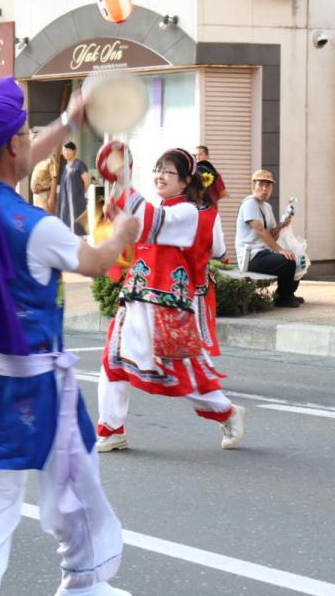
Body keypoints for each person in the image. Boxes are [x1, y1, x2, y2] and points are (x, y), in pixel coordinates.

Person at [0, 77, 139, 596]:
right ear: (11, 148)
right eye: (26, 134)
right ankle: (84, 578)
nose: (31, 141)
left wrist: (70, 119)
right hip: (38, 386)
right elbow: (96, 263)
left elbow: (9, 157)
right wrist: (122, 233)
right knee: (78, 478)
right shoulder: (37, 226)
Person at [95, 147, 246, 452]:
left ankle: (227, 412)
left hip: (167, 306)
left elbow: (149, 220)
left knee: (178, 374)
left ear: (185, 181)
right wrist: (115, 200)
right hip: (137, 296)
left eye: (168, 171)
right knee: (113, 362)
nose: (160, 176)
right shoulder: (162, 208)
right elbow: (129, 225)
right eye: (157, 169)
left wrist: (122, 178)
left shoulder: (188, 213)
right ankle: (111, 429)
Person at [234, 169, 302, 307]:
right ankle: (282, 298)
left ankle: (288, 293)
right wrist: (280, 250)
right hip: (251, 256)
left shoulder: (267, 206)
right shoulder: (249, 204)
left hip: (264, 253)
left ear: (272, 188)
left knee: (298, 257)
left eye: (268, 185)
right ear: (253, 186)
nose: (264, 189)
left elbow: (270, 234)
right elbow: (260, 231)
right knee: (287, 260)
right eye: (261, 185)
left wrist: (281, 225)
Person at [193, 159, 228, 356]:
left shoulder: (169, 208)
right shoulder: (210, 214)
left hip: (170, 282)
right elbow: (219, 250)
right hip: (199, 278)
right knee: (200, 330)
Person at [57, 140, 89, 234]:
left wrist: (81, 194)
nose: (65, 152)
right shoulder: (65, 167)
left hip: (76, 201)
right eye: (64, 150)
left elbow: (87, 181)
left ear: (74, 151)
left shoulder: (79, 164)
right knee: (66, 223)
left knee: (77, 225)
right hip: (65, 202)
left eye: (68, 150)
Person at [29, 128, 58, 213]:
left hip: (45, 195)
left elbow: (54, 178)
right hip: (36, 195)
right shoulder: (37, 160)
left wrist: (51, 198)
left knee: (46, 219)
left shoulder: (50, 160)